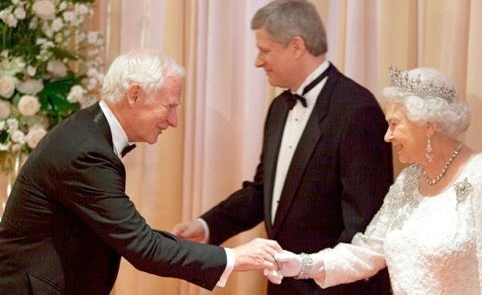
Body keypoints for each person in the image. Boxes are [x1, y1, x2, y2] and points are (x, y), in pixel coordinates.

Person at [0, 50, 283, 295]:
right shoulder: (86, 151)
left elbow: (128, 233)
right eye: (169, 106)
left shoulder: (87, 133)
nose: (173, 121)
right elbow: (143, 247)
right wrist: (234, 258)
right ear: (134, 94)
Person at [172, 0, 393, 294]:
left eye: (264, 50)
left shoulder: (357, 110)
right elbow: (264, 191)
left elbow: (365, 225)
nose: (258, 62)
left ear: (296, 46)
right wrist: (208, 226)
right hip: (281, 286)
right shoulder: (278, 107)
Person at [273, 66, 482, 294]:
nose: (387, 136)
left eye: (395, 124)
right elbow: (367, 252)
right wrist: (301, 264)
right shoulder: (409, 180)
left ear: (428, 124)